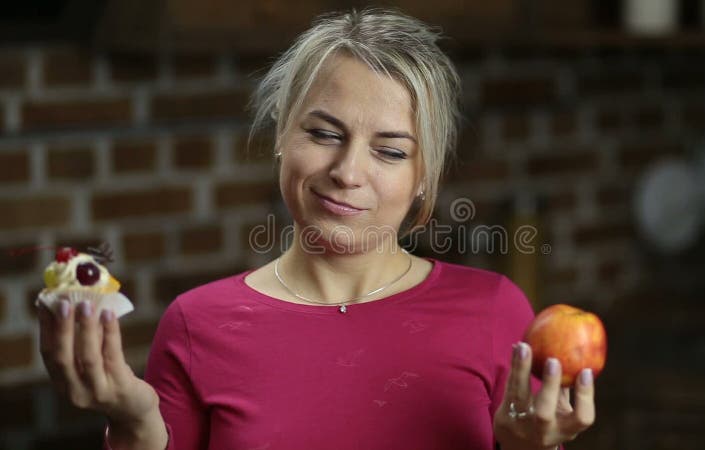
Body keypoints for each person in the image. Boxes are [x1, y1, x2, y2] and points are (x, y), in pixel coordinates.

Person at [36, 8, 596, 450]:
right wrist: (135, 424)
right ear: (283, 135)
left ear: (425, 177)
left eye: (391, 151)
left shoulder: (496, 312)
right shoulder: (196, 325)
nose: (348, 172)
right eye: (324, 134)